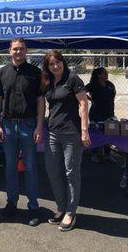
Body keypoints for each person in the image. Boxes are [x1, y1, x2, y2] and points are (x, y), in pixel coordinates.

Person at [0, 38, 45, 226]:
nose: (18, 52)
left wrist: (39, 126)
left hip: (28, 125)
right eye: (15, 49)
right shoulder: (2, 72)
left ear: (26, 51)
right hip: (7, 125)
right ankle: (11, 203)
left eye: (21, 49)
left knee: (30, 167)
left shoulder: (35, 73)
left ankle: (33, 207)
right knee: (10, 167)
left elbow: (41, 101)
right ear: (9, 50)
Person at [42, 50, 90, 232]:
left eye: (58, 62)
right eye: (51, 64)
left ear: (63, 62)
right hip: (53, 133)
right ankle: (61, 207)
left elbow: (84, 103)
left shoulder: (73, 79)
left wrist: (84, 130)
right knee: (53, 171)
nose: (55, 66)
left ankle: (71, 211)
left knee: (71, 173)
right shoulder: (48, 81)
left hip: (71, 134)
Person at [86, 67, 116, 163]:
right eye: (104, 73)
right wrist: (90, 100)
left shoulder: (110, 85)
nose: (106, 75)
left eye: (107, 73)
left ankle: (107, 155)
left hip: (109, 113)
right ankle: (94, 155)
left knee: (109, 133)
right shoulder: (93, 85)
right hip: (96, 113)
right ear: (98, 75)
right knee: (97, 134)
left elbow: (112, 96)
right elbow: (80, 91)